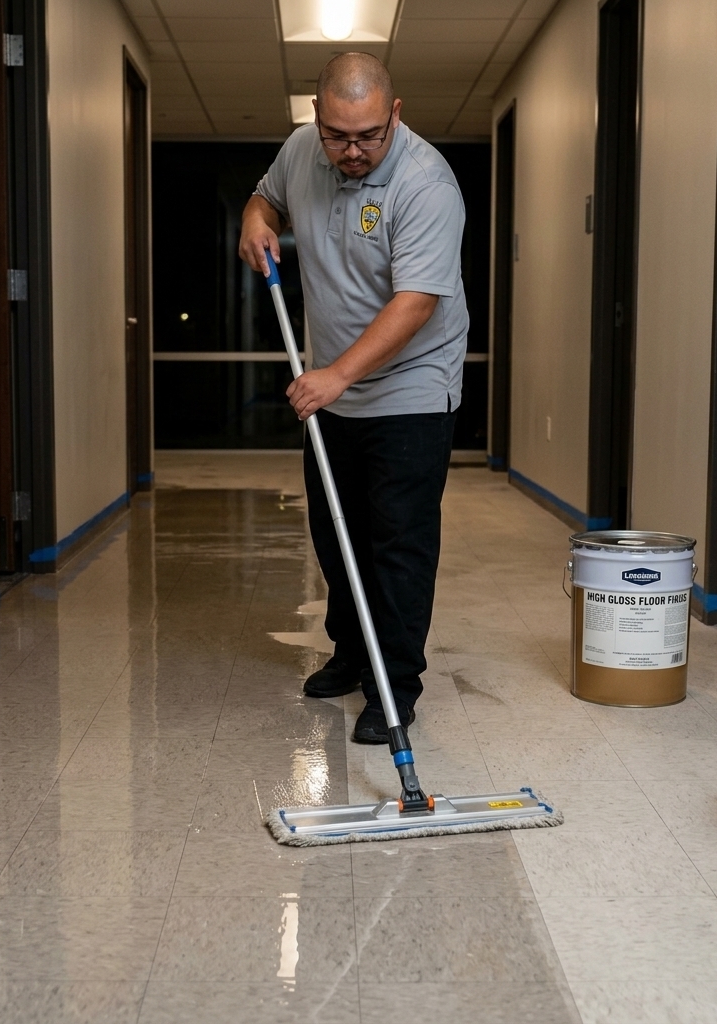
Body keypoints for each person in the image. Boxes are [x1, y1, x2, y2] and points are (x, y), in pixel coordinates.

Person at [238, 52, 468, 744]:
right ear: (317, 118)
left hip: (411, 390)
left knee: (398, 545)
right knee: (338, 539)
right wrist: (255, 217)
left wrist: (337, 374)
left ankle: (393, 687)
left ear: (394, 114)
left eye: (369, 135)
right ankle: (350, 649)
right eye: (339, 135)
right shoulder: (303, 151)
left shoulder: (427, 183)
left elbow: (416, 302)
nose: (354, 150)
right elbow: (266, 193)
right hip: (331, 396)